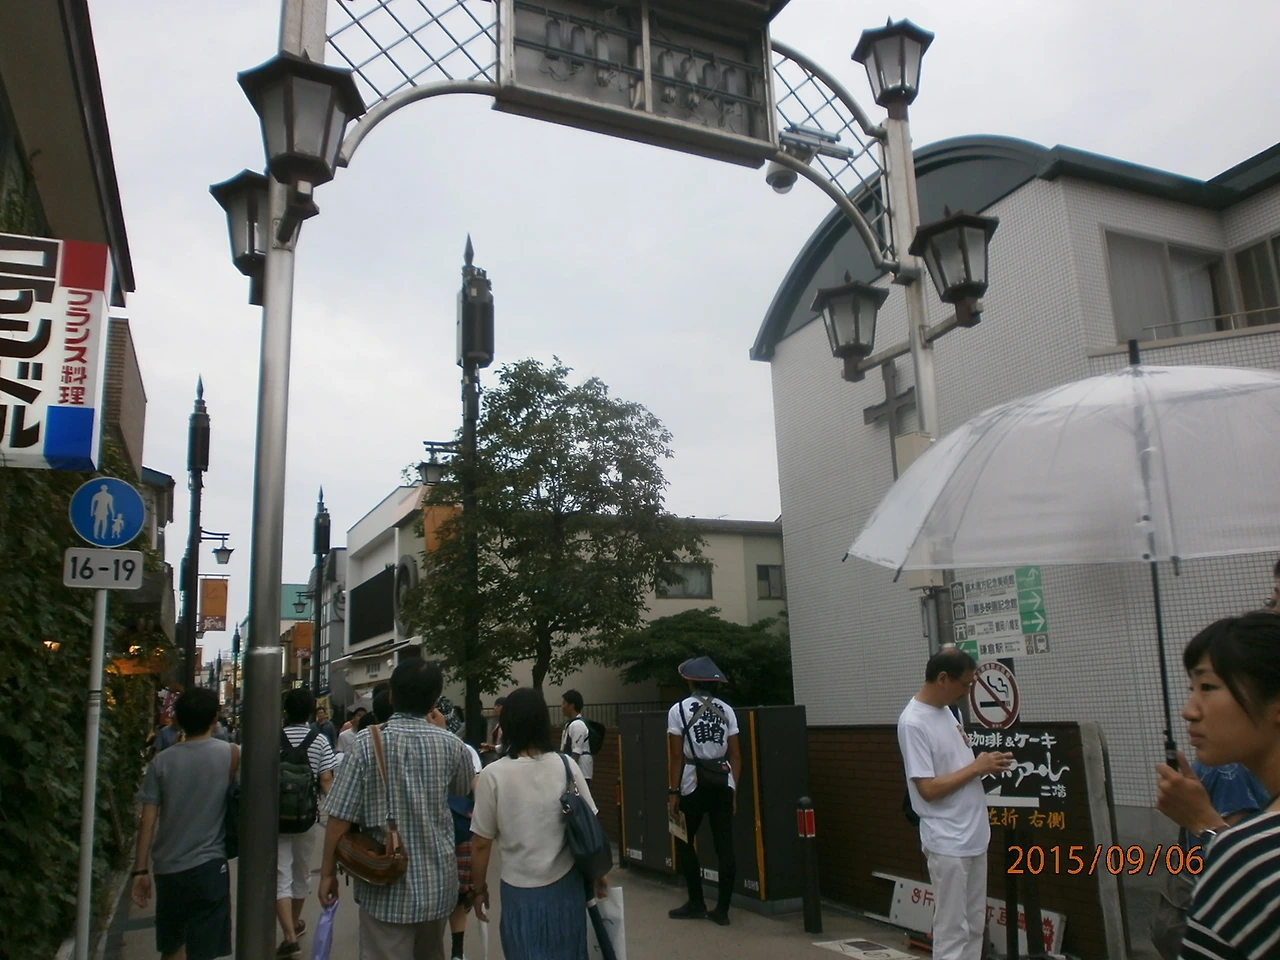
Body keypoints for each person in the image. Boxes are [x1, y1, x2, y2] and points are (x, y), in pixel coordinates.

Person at [320, 659, 473, 960]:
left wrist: (327, 874)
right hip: (438, 885)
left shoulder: (366, 743)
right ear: (434, 700)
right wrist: (446, 732)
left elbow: (339, 817)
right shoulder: (451, 744)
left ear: (391, 696)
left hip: (384, 882)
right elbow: (462, 788)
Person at [1153, 612, 1280, 960]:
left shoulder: (1245, 857)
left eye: (1208, 687)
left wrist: (1206, 827)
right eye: (1191, 689)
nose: (1188, 711)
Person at [470, 687, 605, 960]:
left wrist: (479, 889)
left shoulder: (492, 775)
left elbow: (481, 843)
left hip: (519, 890)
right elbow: (590, 822)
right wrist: (598, 873)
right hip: (566, 886)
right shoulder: (566, 765)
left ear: (507, 724)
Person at [897, 647, 1014, 960]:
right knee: (952, 929)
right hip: (947, 839)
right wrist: (976, 767)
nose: (967, 692)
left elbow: (955, 768)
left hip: (974, 834)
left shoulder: (950, 711)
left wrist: (983, 766)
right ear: (942, 679)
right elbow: (927, 789)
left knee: (974, 925)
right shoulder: (913, 723)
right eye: (964, 685)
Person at [131, 687, 237, 960]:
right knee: (204, 949)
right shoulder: (232, 755)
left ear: (178, 720)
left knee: (173, 944)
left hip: (169, 868)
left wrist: (140, 870)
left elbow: (148, 819)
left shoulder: (161, 762)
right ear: (214, 719)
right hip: (210, 865)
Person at [666, 656, 741, 926]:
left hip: (691, 783)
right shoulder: (727, 710)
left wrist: (673, 792)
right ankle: (723, 910)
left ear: (691, 682)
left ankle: (696, 902)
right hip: (722, 783)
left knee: (683, 840)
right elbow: (736, 755)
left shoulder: (678, 710)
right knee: (725, 847)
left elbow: (676, 756)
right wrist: (733, 789)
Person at [277, 688, 338, 957]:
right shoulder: (319, 740)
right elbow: (326, 780)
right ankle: (294, 924)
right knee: (301, 873)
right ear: (311, 712)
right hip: (306, 817)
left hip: (276, 817)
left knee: (281, 874)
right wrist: (336, 813)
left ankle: (289, 935)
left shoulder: (273, 738)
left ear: (286, 711)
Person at [434, 697, 483, 960]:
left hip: (431, 831)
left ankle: (439, 950)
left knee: (435, 893)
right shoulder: (466, 750)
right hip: (463, 828)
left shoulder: (418, 745)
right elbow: (477, 787)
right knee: (460, 895)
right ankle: (457, 952)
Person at [560, 689, 594, 786]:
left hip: (581, 772)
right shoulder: (570, 724)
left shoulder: (577, 725)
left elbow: (576, 753)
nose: (562, 706)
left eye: (564, 703)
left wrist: (566, 770)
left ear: (571, 706)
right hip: (577, 772)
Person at [479, 696, 507, 762]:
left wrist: (493, 747)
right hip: (498, 757)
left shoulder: (509, 724)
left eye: (498, 706)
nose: (495, 708)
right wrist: (490, 748)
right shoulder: (498, 724)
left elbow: (507, 744)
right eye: (495, 706)